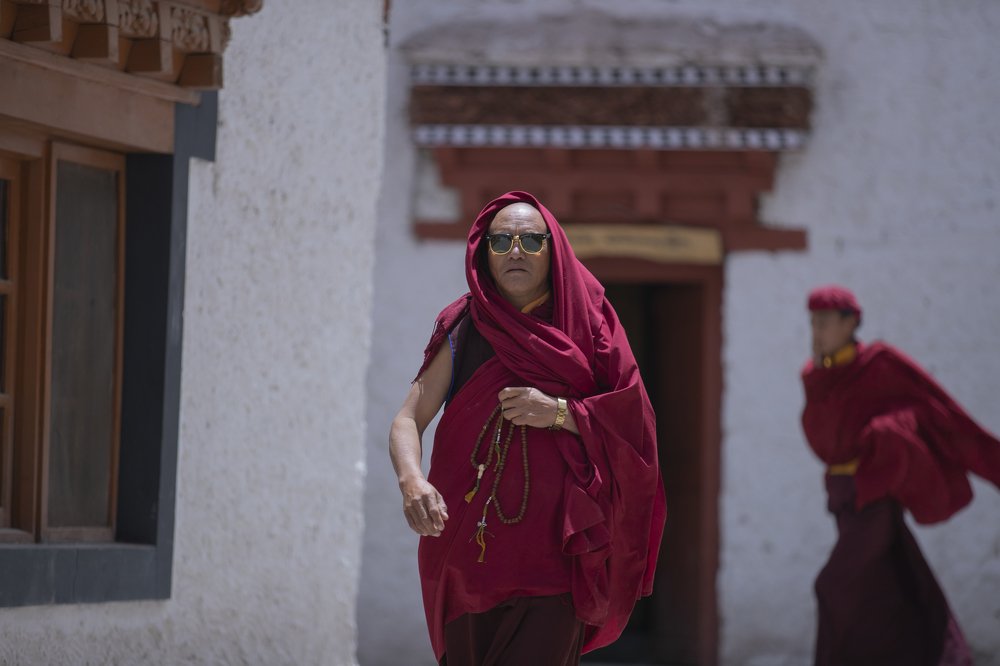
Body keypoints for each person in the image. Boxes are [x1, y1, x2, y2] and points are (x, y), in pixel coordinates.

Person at [389, 191, 666, 665]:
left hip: (553, 563)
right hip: (467, 555)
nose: (515, 251)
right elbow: (408, 419)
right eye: (501, 241)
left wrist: (560, 412)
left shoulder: (589, 324)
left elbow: (634, 427)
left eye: (531, 240)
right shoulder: (464, 326)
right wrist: (412, 481)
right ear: (484, 253)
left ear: (552, 249)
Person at [801, 284, 1000, 666]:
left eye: (824, 322)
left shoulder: (880, 366)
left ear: (851, 323)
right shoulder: (817, 376)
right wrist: (818, 381)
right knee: (896, 586)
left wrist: (887, 434)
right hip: (844, 500)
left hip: (874, 500)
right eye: (812, 323)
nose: (816, 332)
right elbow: (822, 437)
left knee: (834, 585)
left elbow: (936, 413)